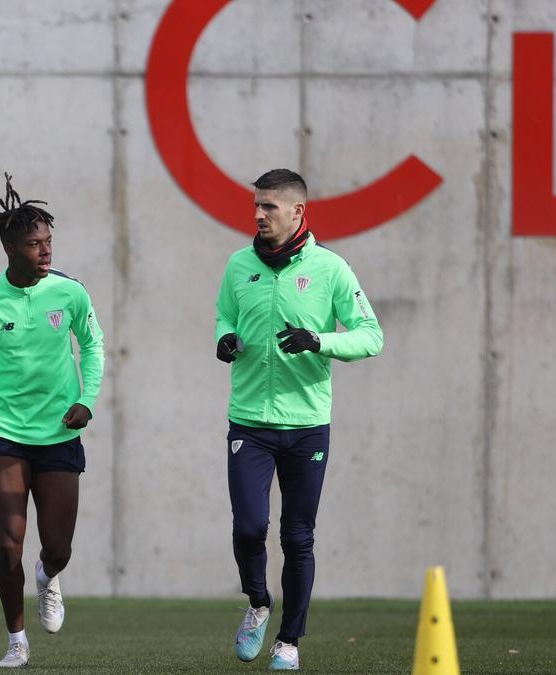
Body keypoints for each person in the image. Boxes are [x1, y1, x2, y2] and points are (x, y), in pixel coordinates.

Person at [215, 169, 383, 670]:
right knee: (249, 528)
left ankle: (289, 640)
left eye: (269, 207)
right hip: (249, 421)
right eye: (257, 206)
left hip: (307, 424)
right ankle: (258, 602)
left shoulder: (331, 269)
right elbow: (225, 315)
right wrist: (224, 338)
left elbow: (371, 335)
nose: (258, 214)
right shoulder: (238, 264)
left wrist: (320, 340)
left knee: (298, 537)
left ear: (298, 212)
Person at [0, 174, 104, 669]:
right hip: (5, 438)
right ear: (9, 247)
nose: (46, 252)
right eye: (34, 244)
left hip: (58, 435)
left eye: (49, 242)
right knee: (8, 543)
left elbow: (93, 347)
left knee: (58, 546)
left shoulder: (71, 293)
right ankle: (16, 641)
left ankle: (49, 576)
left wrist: (88, 398)